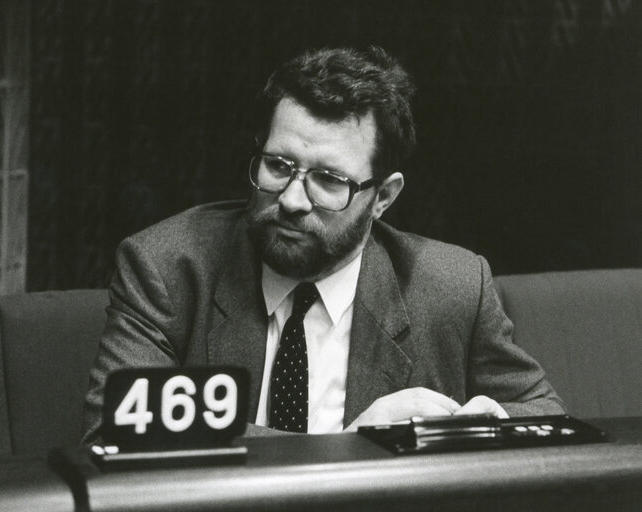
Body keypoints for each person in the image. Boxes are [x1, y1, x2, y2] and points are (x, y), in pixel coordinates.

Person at [83, 46, 563, 442]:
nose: (292, 199)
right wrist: (348, 447)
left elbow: (545, 414)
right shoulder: (166, 266)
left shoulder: (453, 286)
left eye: (329, 181)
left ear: (383, 198)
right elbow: (113, 436)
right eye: (278, 166)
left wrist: (488, 428)